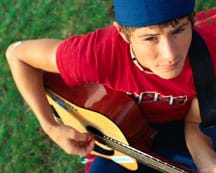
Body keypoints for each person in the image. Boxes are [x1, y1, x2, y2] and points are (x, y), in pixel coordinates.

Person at [5, 0, 216, 172]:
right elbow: (17, 54)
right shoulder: (96, 55)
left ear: (192, 20)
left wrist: (206, 162)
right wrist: (51, 126)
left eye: (178, 31)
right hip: (122, 135)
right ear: (123, 34)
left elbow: (194, 122)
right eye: (150, 38)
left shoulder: (210, 54)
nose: (170, 55)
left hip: (194, 122)